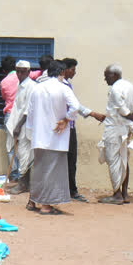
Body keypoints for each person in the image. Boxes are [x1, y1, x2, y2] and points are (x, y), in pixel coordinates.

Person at [25, 60, 81, 215]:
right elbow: (75, 106)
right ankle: (46, 205)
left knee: (39, 169)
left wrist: (30, 131)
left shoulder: (36, 89)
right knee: (52, 171)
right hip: (56, 136)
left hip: (39, 136)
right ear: (62, 72)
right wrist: (66, 119)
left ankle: (32, 200)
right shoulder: (63, 88)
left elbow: (30, 112)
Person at [60, 58, 105, 202]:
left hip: (66, 127)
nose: (74, 72)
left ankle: (68, 189)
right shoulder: (63, 86)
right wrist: (93, 114)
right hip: (66, 127)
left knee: (68, 160)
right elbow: (76, 106)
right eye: (72, 69)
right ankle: (71, 191)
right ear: (65, 70)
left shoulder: (65, 85)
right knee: (69, 160)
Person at [97, 64, 133, 205]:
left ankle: (117, 195)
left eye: (106, 76)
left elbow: (124, 111)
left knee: (113, 160)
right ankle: (124, 194)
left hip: (115, 129)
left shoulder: (115, 89)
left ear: (114, 75)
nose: (105, 79)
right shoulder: (130, 86)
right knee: (124, 159)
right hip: (126, 129)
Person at [4, 61, 37, 194]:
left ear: (29, 72)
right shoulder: (20, 85)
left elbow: (28, 110)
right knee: (21, 154)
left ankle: (23, 184)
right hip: (17, 124)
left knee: (24, 155)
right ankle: (24, 183)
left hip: (25, 126)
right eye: (17, 71)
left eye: (22, 71)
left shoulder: (31, 86)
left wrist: (18, 126)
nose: (19, 74)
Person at [0, 56, 18, 126]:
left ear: (4, 70)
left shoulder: (3, 82)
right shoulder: (23, 76)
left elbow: (4, 97)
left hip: (9, 115)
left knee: (9, 137)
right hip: (22, 116)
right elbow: (36, 74)